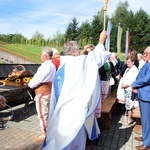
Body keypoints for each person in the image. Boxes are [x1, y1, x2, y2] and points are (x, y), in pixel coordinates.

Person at [42, 30, 111, 150]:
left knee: (59, 142)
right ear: (73, 52)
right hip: (74, 115)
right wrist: (101, 40)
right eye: (79, 50)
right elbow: (96, 59)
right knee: (74, 144)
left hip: (60, 114)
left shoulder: (63, 66)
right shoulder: (76, 64)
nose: (80, 53)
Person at [28, 47, 56, 141]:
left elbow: (35, 81)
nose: (40, 56)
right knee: (48, 113)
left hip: (42, 92)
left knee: (42, 114)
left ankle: (45, 134)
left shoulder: (44, 66)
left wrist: (29, 84)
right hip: (49, 91)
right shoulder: (52, 65)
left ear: (45, 56)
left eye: (41, 54)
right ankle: (49, 132)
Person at [132, 46, 150, 150]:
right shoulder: (148, 63)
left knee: (147, 120)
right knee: (144, 119)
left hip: (147, 96)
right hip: (144, 95)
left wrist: (134, 84)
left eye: (146, 53)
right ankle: (145, 137)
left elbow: (147, 79)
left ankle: (147, 144)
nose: (144, 55)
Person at [121, 54, 139, 125]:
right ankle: (128, 117)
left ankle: (129, 119)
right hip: (126, 89)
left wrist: (125, 85)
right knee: (127, 104)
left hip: (130, 89)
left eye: (129, 62)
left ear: (133, 62)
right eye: (127, 62)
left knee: (130, 104)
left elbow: (133, 81)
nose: (127, 63)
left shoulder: (135, 70)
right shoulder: (128, 69)